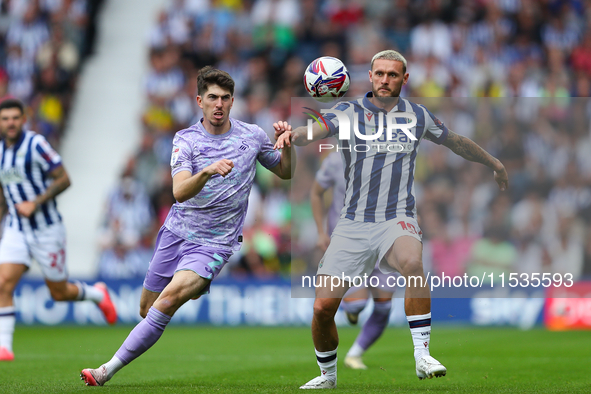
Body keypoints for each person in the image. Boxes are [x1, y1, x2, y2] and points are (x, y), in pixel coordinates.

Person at [274, 50, 509, 389]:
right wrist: (290, 135)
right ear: (370, 76)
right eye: (380, 74)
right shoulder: (348, 111)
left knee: (413, 263)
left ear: (405, 79)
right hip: (352, 223)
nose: (385, 80)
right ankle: (328, 376)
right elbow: (314, 130)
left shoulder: (418, 115)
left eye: (393, 75)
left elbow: (456, 142)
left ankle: (422, 354)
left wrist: (494, 163)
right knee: (323, 308)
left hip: (396, 217)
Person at [80, 66, 294, 386]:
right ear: (199, 101)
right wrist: (207, 171)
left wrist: (286, 145)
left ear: (233, 101)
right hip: (176, 233)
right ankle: (195, 283)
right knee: (147, 308)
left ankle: (104, 371)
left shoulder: (253, 136)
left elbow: (285, 173)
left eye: (224, 98)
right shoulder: (186, 140)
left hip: (216, 243)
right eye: (212, 98)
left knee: (168, 301)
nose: (218, 104)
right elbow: (179, 192)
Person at [0, 98, 117, 361]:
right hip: (16, 229)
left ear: (23, 119)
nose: (10, 123)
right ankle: (4, 347)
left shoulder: (36, 144)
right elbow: (2, 193)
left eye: (14, 118)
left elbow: (64, 178)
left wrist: (36, 202)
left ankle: (97, 294)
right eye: (5, 118)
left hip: (46, 229)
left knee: (59, 292)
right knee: (3, 282)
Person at [311, 150, 397, 371]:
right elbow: (316, 192)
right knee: (357, 303)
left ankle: (355, 353)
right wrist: (321, 232)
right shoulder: (334, 160)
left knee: (384, 306)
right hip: (348, 242)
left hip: (382, 240)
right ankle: (353, 310)